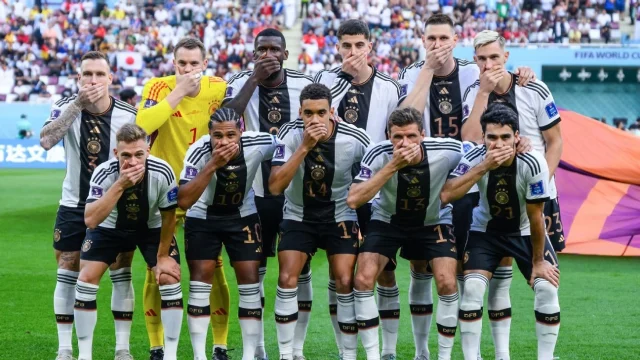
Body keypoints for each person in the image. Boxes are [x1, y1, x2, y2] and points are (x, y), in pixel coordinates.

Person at [398, 15, 536, 360]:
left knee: (468, 263)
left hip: (469, 176)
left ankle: (474, 348)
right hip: (423, 176)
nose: (437, 44)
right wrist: (428, 70)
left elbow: (503, 84)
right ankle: (422, 351)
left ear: (456, 39)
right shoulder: (411, 73)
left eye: (443, 37)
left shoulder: (473, 71)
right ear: (422, 39)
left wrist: (522, 73)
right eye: (431, 38)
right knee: (420, 265)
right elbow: (406, 116)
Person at [461, 30, 564, 359]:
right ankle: (502, 354)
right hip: (490, 194)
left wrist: (538, 184)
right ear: (475, 61)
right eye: (482, 58)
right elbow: (469, 139)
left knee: (543, 279)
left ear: (506, 57)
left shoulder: (533, 87)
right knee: (497, 276)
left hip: (535, 194)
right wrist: (483, 92)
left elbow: (556, 142)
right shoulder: (474, 91)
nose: (489, 64)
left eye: (494, 57)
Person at [440, 103, 560, 360]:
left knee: (547, 287)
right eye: (492, 138)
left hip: (526, 232)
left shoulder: (533, 161)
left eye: (506, 137)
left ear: (517, 137)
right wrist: (484, 166)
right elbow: (447, 194)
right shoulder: (474, 158)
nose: (499, 144)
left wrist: (538, 262)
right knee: (471, 289)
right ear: (482, 138)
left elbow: (536, 215)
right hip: (485, 232)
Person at [136, 37, 230, 360]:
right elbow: (142, 125)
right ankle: (157, 346)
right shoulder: (158, 87)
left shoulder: (218, 88)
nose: (188, 69)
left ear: (205, 63)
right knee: (157, 270)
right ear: (173, 63)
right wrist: (178, 92)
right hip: (163, 195)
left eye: (194, 64)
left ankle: (219, 344)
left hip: (203, 192)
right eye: (182, 64)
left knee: (212, 268)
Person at [313, 19, 402, 358]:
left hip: (374, 192)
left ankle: (389, 350)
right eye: (346, 46)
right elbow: (312, 118)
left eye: (358, 46)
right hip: (331, 189)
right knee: (342, 274)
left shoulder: (390, 88)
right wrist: (342, 81)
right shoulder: (324, 80)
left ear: (370, 48)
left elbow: (396, 136)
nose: (352, 52)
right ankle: (345, 350)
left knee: (384, 271)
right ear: (338, 47)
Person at [39, 51, 137, 360]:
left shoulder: (128, 114)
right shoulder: (65, 107)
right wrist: (78, 104)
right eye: (87, 74)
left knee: (121, 272)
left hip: (115, 206)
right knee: (67, 270)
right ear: (79, 78)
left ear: (110, 78)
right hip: (73, 205)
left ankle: (122, 349)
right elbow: (45, 140)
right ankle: (65, 348)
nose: (92, 80)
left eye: (98, 74)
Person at [223, 28, 314, 360]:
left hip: (296, 196)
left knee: (299, 270)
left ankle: (297, 349)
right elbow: (226, 122)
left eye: (275, 49)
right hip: (253, 194)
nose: (268, 54)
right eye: (262, 49)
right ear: (253, 54)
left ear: (286, 55)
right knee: (254, 270)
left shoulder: (305, 85)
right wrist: (253, 81)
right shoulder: (238, 84)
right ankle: (258, 347)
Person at [347, 107, 463, 360]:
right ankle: (377, 355)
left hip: (433, 220)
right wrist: (392, 166)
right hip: (388, 220)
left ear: (423, 134)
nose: (404, 143)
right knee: (363, 280)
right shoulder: (378, 153)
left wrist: (523, 145)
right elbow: (354, 199)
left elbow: (478, 153)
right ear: (388, 135)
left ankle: (431, 354)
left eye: (411, 136)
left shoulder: (449, 150)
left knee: (446, 281)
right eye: (397, 137)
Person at [269, 83, 371, 360]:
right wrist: (304, 146)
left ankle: (347, 354)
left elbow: (375, 178)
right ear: (300, 113)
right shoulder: (288, 136)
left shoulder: (355, 138)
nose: (315, 119)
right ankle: (288, 353)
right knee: (287, 276)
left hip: (340, 216)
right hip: (298, 214)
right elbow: (276, 187)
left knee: (344, 279)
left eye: (321, 112)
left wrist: (367, 222)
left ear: (332, 112)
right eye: (308, 113)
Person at [177, 108, 279, 360]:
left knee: (250, 282)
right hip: (202, 218)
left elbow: (286, 142)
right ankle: (200, 356)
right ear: (209, 134)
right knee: (200, 284)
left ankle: (249, 355)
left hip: (242, 216)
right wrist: (213, 163)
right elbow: (184, 200)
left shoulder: (258, 142)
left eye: (230, 135)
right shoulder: (198, 151)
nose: (223, 141)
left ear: (241, 132)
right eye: (217, 135)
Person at [74, 124, 183, 360]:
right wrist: (121, 184)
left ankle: (171, 355)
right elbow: (91, 220)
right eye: (126, 155)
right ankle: (86, 355)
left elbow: (169, 217)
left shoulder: (163, 172)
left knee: (169, 278)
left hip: (151, 228)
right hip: (110, 228)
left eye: (138, 154)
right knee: (85, 279)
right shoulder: (104, 172)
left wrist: (163, 257)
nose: (132, 161)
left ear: (148, 151)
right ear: (116, 153)